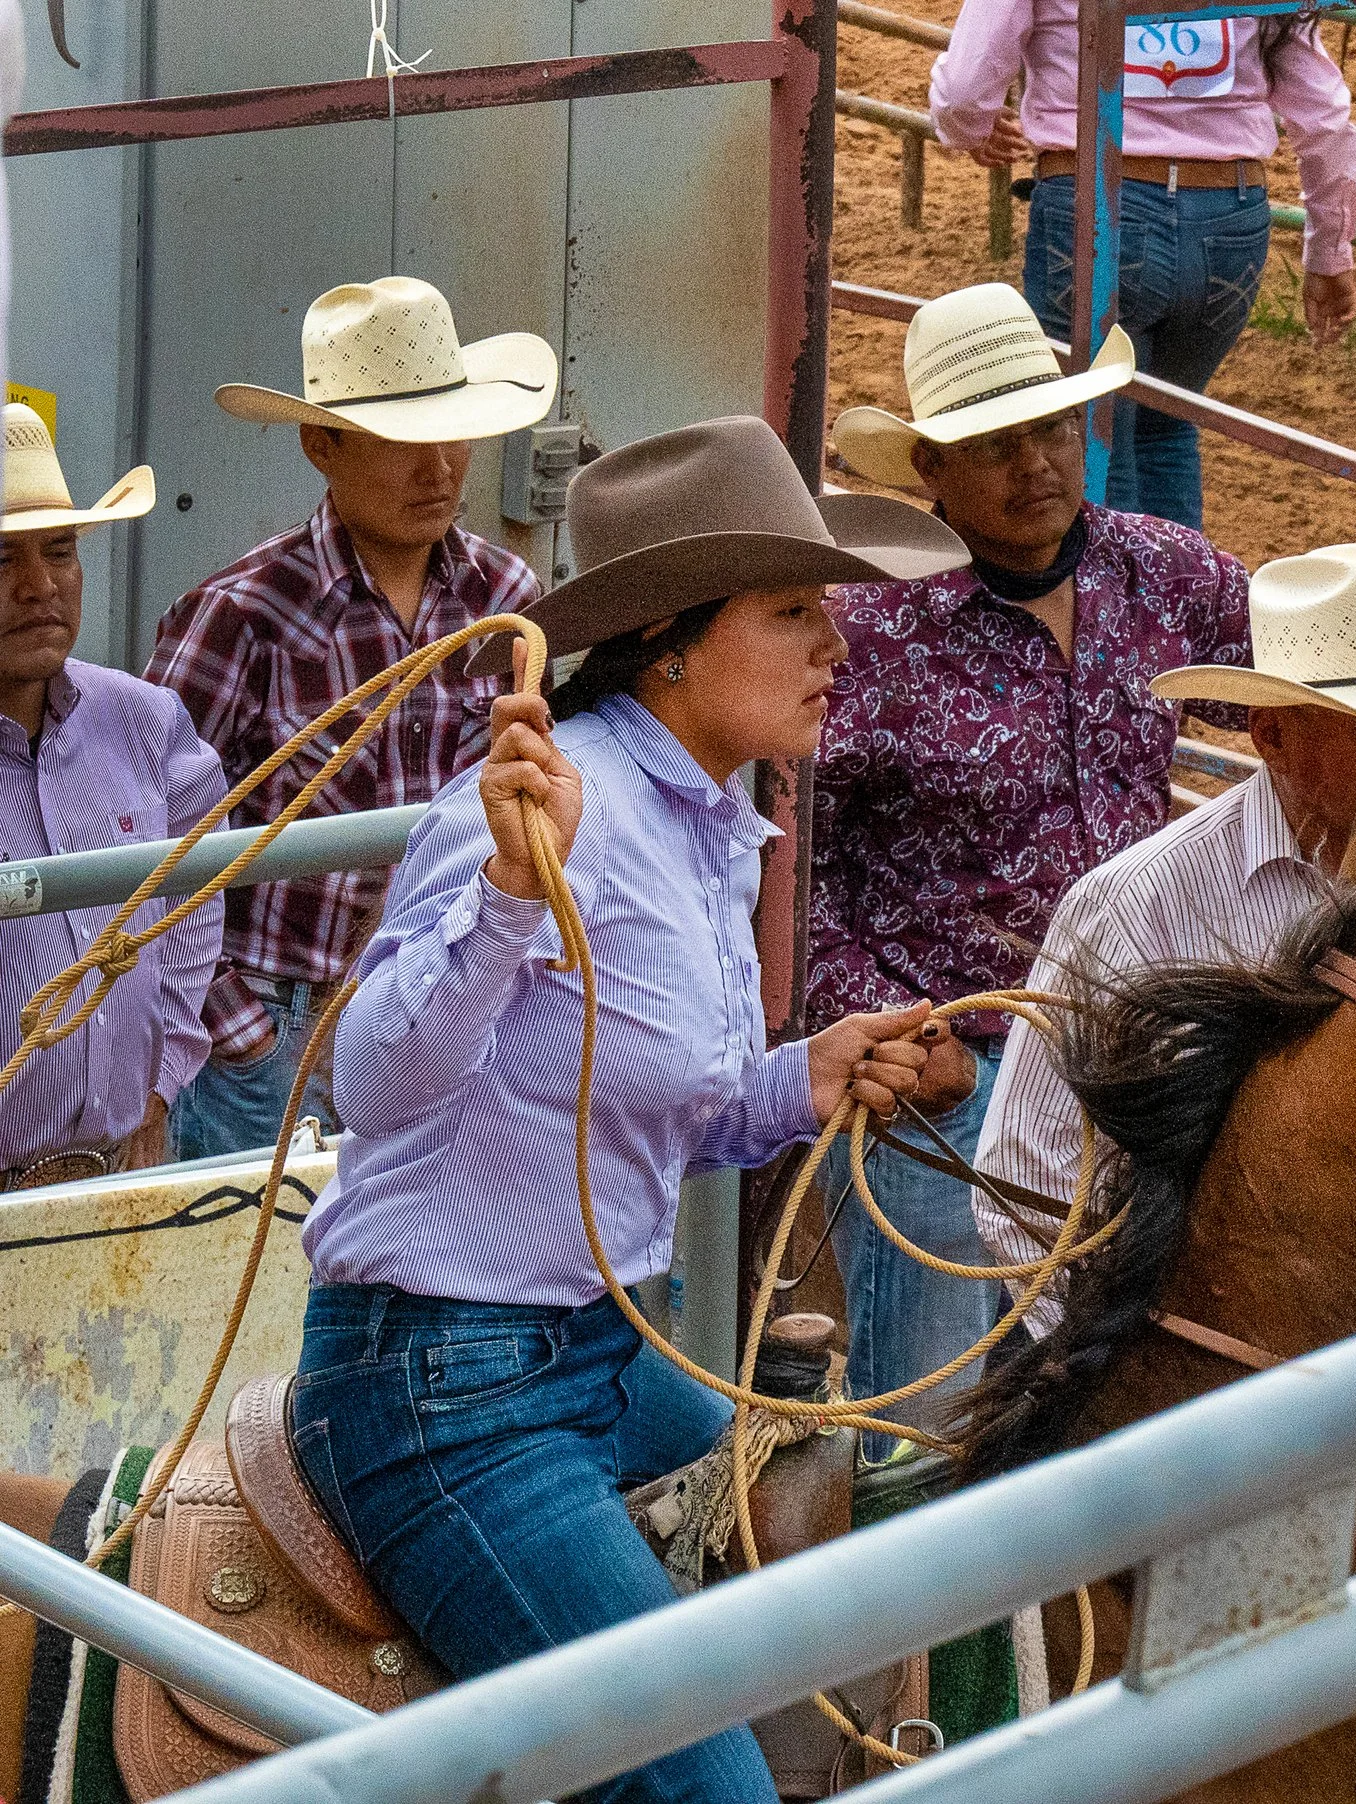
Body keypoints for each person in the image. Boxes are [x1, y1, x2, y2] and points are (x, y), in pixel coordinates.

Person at [820, 285, 1356, 1455]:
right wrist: (878, 1026)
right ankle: (923, 1599)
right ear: (929, 470)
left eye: (1053, 431)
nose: (1036, 466)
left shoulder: (1162, 572)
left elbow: (1350, 691)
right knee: (925, 1408)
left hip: (1157, 1033)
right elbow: (801, 852)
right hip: (945, 1056)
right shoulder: (874, 630)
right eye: (995, 446)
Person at [289, 417, 969, 1804]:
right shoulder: (563, 814)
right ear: (670, 637)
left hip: (594, 1355)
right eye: (793, 612)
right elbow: (370, 1088)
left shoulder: (708, 823)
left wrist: (809, 1076)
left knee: (846, 1585)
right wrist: (501, 906)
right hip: (444, 1389)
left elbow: (673, 1108)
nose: (837, 646)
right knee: (709, 1786)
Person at [977, 541, 1356, 1803]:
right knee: (1223, 1724)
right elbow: (1019, 1183)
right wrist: (1148, 1371)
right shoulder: (1137, 907)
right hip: (1201, 1415)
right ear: (1272, 734)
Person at [147, 276, 552, 1161]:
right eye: (399, 439)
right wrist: (241, 1032)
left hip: (450, 1002)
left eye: (453, 433)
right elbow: (149, 841)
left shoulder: (507, 600)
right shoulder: (243, 614)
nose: (437, 468)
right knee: (260, 1287)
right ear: (321, 444)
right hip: (279, 1024)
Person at [931, 0, 1356, 527]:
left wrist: (967, 129)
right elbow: (1325, 114)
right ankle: (1182, 597)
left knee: (1092, 419)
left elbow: (965, 90)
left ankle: (1110, 599)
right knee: (1170, 422)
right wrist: (1329, 251)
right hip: (1229, 218)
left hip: (1095, 200)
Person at [0, 403, 223, 1187]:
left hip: (115, 1168)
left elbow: (194, 899)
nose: (40, 587)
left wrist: (160, 1087)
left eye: (61, 552)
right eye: (2, 560)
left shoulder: (144, 720)